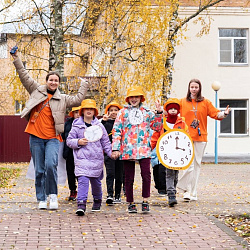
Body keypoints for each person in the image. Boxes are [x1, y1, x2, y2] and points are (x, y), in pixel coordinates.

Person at [10, 48, 89, 210]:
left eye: (56, 80)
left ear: (59, 83)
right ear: (46, 81)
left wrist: (84, 84)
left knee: (51, 165)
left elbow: (78, 99)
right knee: (39, 169)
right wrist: (16, 58)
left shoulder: (63, 98)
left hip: (53, 138)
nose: (53, 82)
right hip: (36, 137)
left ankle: (53, 195)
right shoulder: (35, 90)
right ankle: (42, 198)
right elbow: (24, 75)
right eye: (51, 80)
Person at [177, 79, 231, 201]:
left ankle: (193, 192)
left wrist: (225, 113)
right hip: (186, 137)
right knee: (187, 164)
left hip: (201, 137)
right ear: (189, 88)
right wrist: (161, 111)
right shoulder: (182, 102)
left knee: (197, 164)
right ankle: (186, 190)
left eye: (196, 87)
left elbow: (215, 114)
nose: (194, 89)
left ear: (199, 88)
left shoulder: (205, 102)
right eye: (192, 87)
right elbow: (172, 111)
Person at [111, 86, 162, 213]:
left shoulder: (147, 112)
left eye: (136, 97)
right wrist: (116, 148)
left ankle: (145, 201)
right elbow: (116, 130)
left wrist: (159, 113)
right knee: (128, 177)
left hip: (144, 148)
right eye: (132, 97)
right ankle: (130, 202)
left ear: (141, 98)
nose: (134, 99)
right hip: (128, 148)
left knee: (146, 175)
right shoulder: (122, 112)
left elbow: (157, 127)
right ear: (128, 98)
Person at [66, 99, 112, 216]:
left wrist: (111, 153)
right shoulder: (76, 126)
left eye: (91, 109)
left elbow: (106, 142)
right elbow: (69, 141)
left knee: (96, 182)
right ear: (82, 111)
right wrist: (78, 141)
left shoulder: (99, 126)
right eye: (87, 109)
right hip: (82, 159)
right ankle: (81, 204)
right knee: (83, 181)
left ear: (95, 111)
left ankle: (97, 200)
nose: (89, 111)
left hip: (96, 159)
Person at [151, 98, 189, 207]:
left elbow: (186, 137)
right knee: (169, 173)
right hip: (167, 153)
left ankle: (173, 191)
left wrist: (187, 150)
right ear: (167, 110)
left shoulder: (182, 123)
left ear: (178, 110)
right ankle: (171, 194)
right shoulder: (163, 123)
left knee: (175, 173)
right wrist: (150, 148)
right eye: (170, 108)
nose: (173, 110)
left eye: (175, 109)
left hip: (178, 153)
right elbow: (156, 136)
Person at [101, 101, 124, 205]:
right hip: (108, 152)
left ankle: (118, 195)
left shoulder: (123, 123)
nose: (114, 112)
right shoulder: (105, 123)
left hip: (121, 152)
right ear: (108, 112)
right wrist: (103, 121)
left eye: (116, 110)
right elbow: (96, 131)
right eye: (111, 110)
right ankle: (110, 194)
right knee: (110, 173)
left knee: (119, 174)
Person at [62, 106, 81, 201]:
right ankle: (73, 190)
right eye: (75, 112)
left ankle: (81, 191)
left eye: (79, 112)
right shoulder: (68, 123)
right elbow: (63, 136)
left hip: (81, 151)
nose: (77, 114)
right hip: (69, 151)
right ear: (72, 114)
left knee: (80, 172)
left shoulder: (84, 123)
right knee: (70, 172)